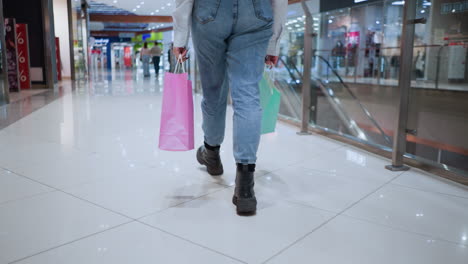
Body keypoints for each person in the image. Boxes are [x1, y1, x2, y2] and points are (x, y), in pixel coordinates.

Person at [173, 0, 287, 215]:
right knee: (247, 94)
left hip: (210, 12)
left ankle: (212, 154)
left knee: (213, 91)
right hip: (256, 12)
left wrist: (180, 36)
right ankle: (245, 187)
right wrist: (274, 43)